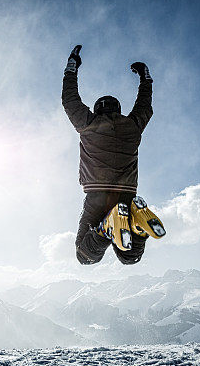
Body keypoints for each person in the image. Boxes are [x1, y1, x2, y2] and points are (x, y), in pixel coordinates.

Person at [62, 44, 165, 266]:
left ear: (97, 109)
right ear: (118, 109)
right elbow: (145, 106)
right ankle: (137, 227)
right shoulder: (132, 125)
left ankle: (107, 227)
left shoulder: (88, 123)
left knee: (85, 255)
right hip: (127, 196)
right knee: (130, 257)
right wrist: (145, 79)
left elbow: (70, 101)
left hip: (97, 195)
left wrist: (72, 67)